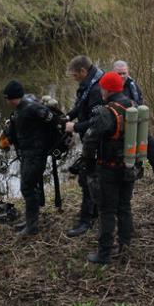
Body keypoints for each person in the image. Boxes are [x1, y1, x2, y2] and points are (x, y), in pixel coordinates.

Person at [81, 72, 137, 264]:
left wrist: (88, 167)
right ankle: (125, 245)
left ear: (106, 89)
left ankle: (104, 254)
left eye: (102, 88)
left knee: (106, 211)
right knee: (124, 206)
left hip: (108, 169)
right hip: (129, 166)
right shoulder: (133, 106)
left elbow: (89, 142)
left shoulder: (105, 112)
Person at [3, 80, 56, 236]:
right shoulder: (20, 108)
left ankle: (32, 227)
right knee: (28, 186)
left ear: (12, 97)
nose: (6, 101)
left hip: (35, 153)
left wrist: (44, 144)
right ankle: (30, 220)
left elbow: (51, 119)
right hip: (27, 153)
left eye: (7, 98)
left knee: (27, 187)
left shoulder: (31, 107)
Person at [113, 60, 154, 181]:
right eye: (119, 74)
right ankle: (127, 174)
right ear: (113, 73)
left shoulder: (132, 85)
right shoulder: (109, 86)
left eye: (124, 73)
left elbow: (140, 103)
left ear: (128, 72)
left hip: (134, 122)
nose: (122, 76)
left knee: (150, 142)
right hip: (116, 126)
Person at [63, 55, 104, 237]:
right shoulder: (88, 85)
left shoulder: (97, 90)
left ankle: (86, 220)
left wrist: (75, 127)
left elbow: (97, 121)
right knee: (89, 178)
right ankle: (94, 211)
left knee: (88, 180)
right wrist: (68, 117)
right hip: (89, 139)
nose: (74, 78)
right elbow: (80, 106)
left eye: (74, 75)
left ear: (83, 71)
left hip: (97, 141)